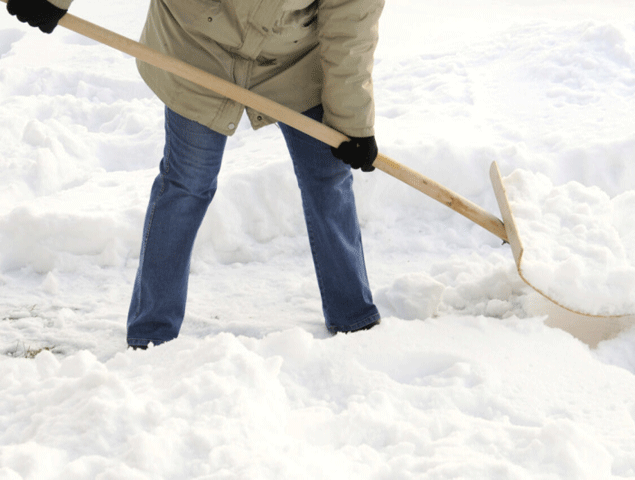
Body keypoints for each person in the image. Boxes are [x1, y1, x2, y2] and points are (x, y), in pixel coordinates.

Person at [8, 0, 384, 347]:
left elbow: (350, 19)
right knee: (187, 183)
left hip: (293, 57)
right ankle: (151, 334)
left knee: (328, 177)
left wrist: (352, 121)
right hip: (196, 45)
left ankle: (354, 320)